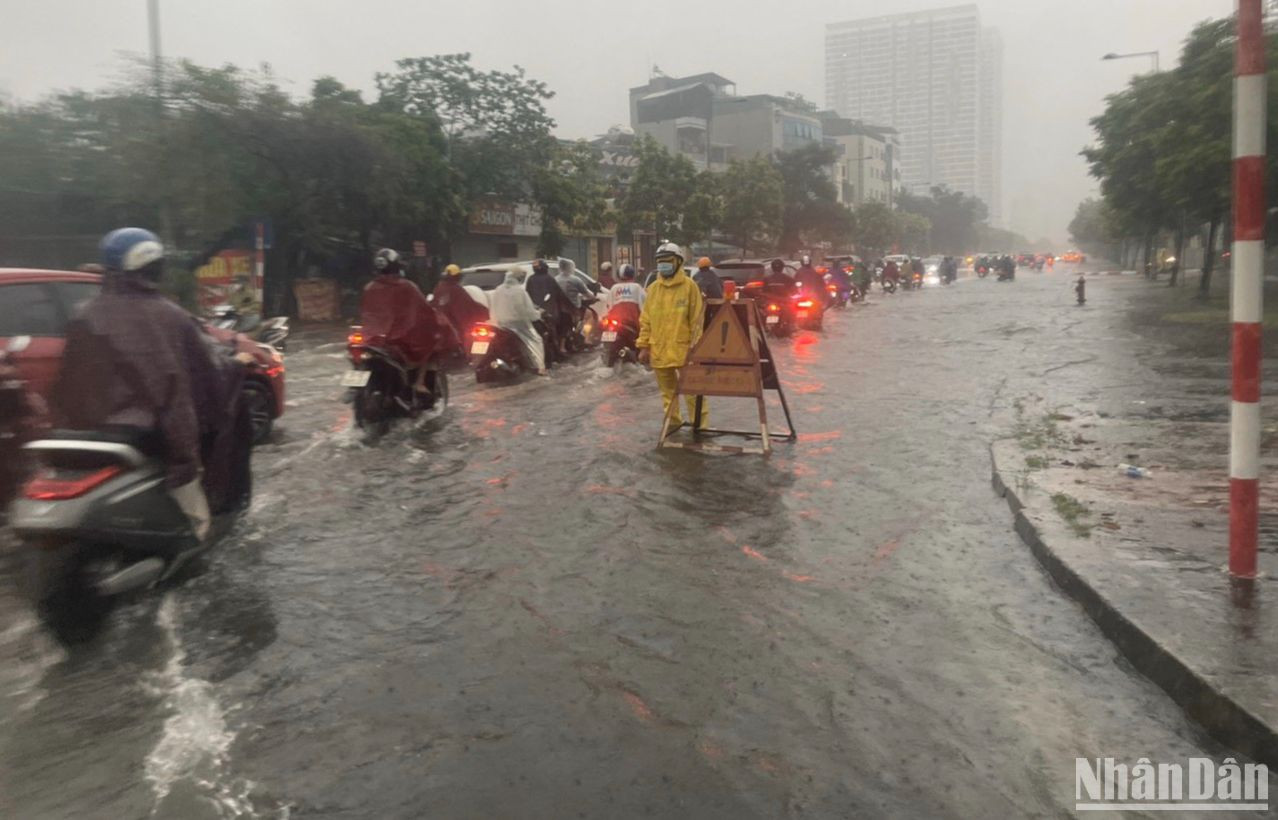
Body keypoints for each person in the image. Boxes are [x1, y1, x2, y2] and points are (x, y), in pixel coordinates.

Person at [51, 228, 246, 541]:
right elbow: (204, 374)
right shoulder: (170, 316)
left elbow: (67, 383)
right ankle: (198, 533)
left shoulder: (83, 313)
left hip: (84, 431)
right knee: (197, 520)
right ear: (154, 268)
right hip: (152, 433)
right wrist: (234, 366)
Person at [360, 248, 459, 393]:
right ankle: (419, 383)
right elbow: (424, 310)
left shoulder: (369, 288)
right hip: (397, 337)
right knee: (428, 346)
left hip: (372, 338)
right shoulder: (406, 287)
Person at [637, 242, 707, 431]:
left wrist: (696, 347)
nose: (663, 265)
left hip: (685, 350)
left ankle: (700, 426)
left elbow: (697, 321)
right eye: (660, 262)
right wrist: (644, 346)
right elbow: (646, 321)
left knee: (693, 392)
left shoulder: (690, 287)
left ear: (678, 262)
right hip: (659, 349)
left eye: (667, 261)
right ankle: (673, 424)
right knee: (668, 394)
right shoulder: (652, 290)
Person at [489, 269, 548, 375]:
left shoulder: (498, 289)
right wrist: (538, 314)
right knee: (537, 340)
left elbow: (493, 308)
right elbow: (527, 311)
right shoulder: (519, 291)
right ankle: (540, 368)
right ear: (518, 278)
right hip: (519, 324)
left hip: (501, 324)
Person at [527, 259, 574, 359]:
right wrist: (571, 307)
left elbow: (527, 296)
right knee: (567, 322)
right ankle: (561, 348)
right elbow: (560, 295)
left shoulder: (530, 279)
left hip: (535, 312)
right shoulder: (549, 279)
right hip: (550, 313)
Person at [432, 263, 489, 339]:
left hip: (445, 327)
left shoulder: (440, 288)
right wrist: (483, 311)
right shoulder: (455, 289)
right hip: (456, 327)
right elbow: (464, 306)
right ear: (456, 276)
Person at [606, 264, 646, 328]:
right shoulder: (637, 287)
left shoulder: (614, 287)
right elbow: (644, 304)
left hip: (615, 321)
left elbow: (608, 305)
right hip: (633, 321)